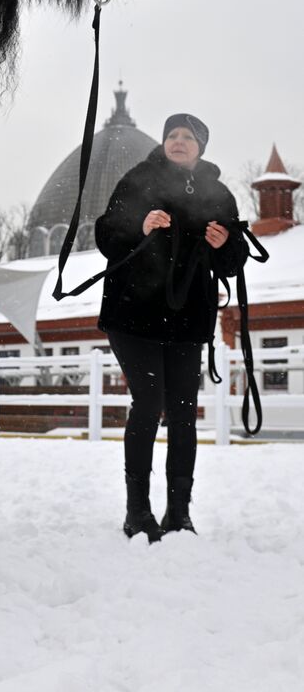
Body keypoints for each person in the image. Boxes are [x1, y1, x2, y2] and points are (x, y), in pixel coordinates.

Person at [95, 113, 246, 543]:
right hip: (134, 313)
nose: (178, 141)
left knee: (183, 414)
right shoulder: (137, 180)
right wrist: (139, 227)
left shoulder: (218, 194)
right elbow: (106, 234)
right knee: (148, 402)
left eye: (188, 136)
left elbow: (233, 264)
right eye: (172, 135)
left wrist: (224, 245)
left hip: (187, 317)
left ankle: (179, 513)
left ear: (201, 146)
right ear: (163, 143)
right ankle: (137, 511)